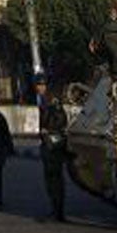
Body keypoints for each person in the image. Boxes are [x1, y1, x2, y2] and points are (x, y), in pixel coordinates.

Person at [34, 75, 69, 223]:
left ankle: (58, 212)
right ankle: (55, 209)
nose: (39, 88)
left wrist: (48, 130)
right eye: (37, 85)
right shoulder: (43, 100)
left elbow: (61, 120)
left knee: (55, 179)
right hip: (48, 144)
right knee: (50, 179)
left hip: (54, 145)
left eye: (41, 85)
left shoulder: (52, 101)